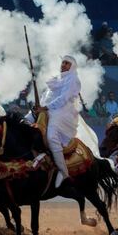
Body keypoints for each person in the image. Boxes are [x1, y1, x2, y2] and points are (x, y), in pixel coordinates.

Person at [41, 56, 84, 188]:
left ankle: (63, 171)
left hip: (63, 112)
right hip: (49, 109)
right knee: (25, 122)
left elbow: (63, 98)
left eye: (67, 63)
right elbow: (46, 96)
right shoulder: (57, 78)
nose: (63, 65)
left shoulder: (73, 79)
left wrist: (47, 107)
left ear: (72, 66)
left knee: (51, 136)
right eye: (63, 62)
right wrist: (40, 107)